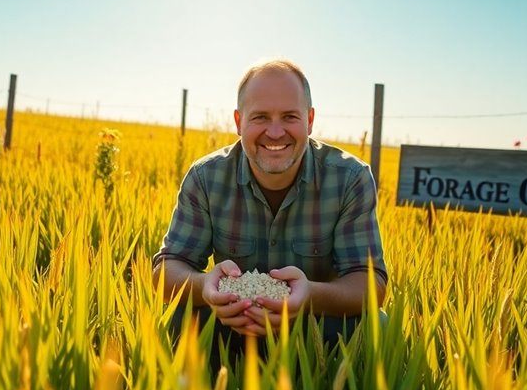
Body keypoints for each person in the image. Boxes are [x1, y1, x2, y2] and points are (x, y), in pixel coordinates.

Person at [153, 59, 388, 357]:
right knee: (175, 319)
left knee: (376, 327)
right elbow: (166, 270)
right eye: (261, 117)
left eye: (290, 116)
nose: (275, 133)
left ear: (310, 119)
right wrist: (208, 287)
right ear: (239, 122)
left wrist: (307, 297)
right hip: (229, 320)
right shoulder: (205, 177)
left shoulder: (349, 179)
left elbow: (370, 283)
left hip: (315, 325)